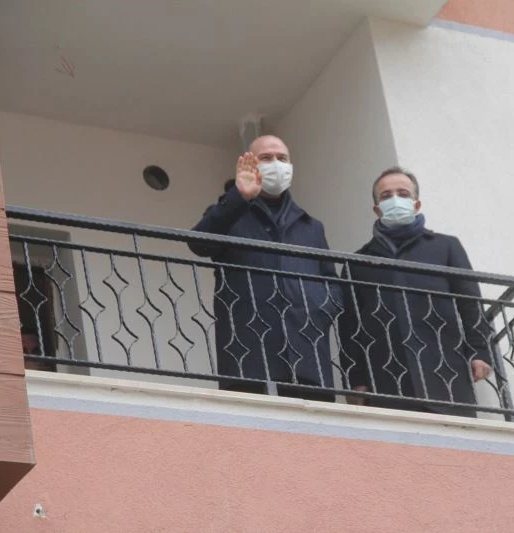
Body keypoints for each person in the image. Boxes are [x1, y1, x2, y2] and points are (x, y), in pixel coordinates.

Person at [189, 135, 340, 401]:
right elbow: (199, 243)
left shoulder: (311, 226)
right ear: (251, 164)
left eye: (282, 158)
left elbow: (331, 283)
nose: (276, 164)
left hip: (306, 351)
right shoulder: (231, 214)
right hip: (249, 350)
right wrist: (239, 197)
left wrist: (318, 309)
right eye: (266, 158)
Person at [339, 167, 492, 416]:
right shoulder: (359, 262)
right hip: (387, 382)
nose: (395, 200)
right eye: (386, 196)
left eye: (403, 194)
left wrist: (480, 352)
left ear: (416, 204)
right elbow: (349, 325)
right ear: (377, 209)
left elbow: (470, 303)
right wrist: (355, 378)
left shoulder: (445, 247)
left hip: (445, 377)